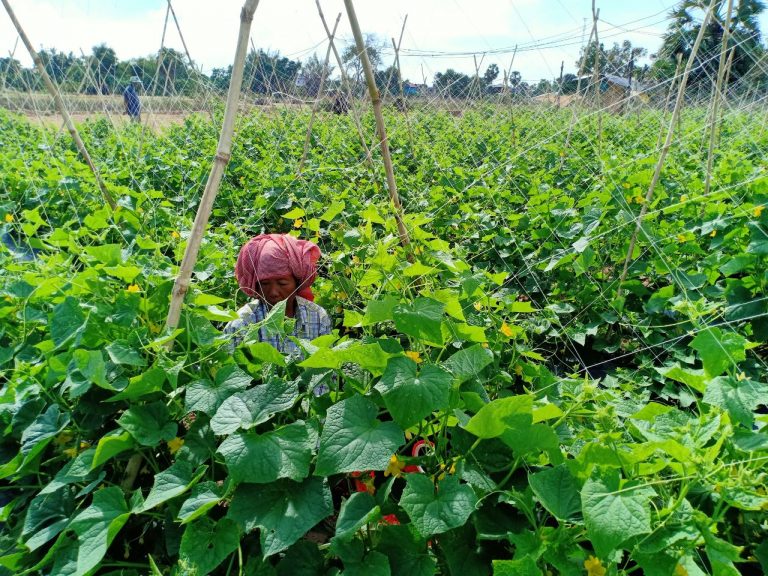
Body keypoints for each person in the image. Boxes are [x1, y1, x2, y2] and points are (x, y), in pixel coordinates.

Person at [223, 234, 331, 354]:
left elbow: (327, 365)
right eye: (264, 284)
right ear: (256, 286)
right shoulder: (241, 323)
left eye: (282, 283)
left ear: (297, 283)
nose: (273, 292)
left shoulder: (317, 317)